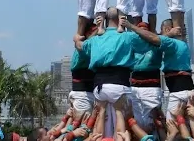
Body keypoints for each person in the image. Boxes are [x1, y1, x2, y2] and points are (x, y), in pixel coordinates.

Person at [74, 7, 152, 137]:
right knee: (123, 129)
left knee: (100, 132)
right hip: (120, 86)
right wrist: (131, 26)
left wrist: (77, 38)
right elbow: (150, 42)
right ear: (122, 19)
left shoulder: (96, 39)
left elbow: (80, 46)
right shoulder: (128, 37)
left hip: (100, 89)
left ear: (105, 19)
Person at [120, 18, 194, 120]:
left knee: (168, 124)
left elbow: (154, 40)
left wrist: (130, 26)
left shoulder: (170, 43)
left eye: (145, 33)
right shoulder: (134, 43)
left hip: (172, 90)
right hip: (138, 86)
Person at [128, 22, 163, 131]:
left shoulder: (156, 43)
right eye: (140, 32)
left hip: (152, 86)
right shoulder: (132, 44)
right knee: (136, 122)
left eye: (144, 32)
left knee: (154, 122)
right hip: (134, 86)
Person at [69, 25, 98, 116]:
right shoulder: (81, 48)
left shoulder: (93, 49)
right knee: (82, 126)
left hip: (90, 93)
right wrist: (99, 30)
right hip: (82, 94)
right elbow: (85, 45)